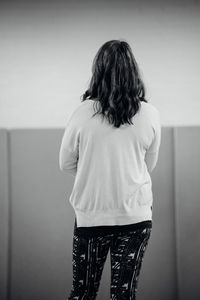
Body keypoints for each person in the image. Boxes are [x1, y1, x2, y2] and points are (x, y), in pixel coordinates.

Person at [59, 39, 161, 300]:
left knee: (82, 293)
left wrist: (94, 169)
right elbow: (148, 165)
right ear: (133, 72)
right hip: (136, 218)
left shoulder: (81, 113)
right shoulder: (150, 114)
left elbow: (66, 163)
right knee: (124, 296)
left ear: (98, 72)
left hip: (92, 217)